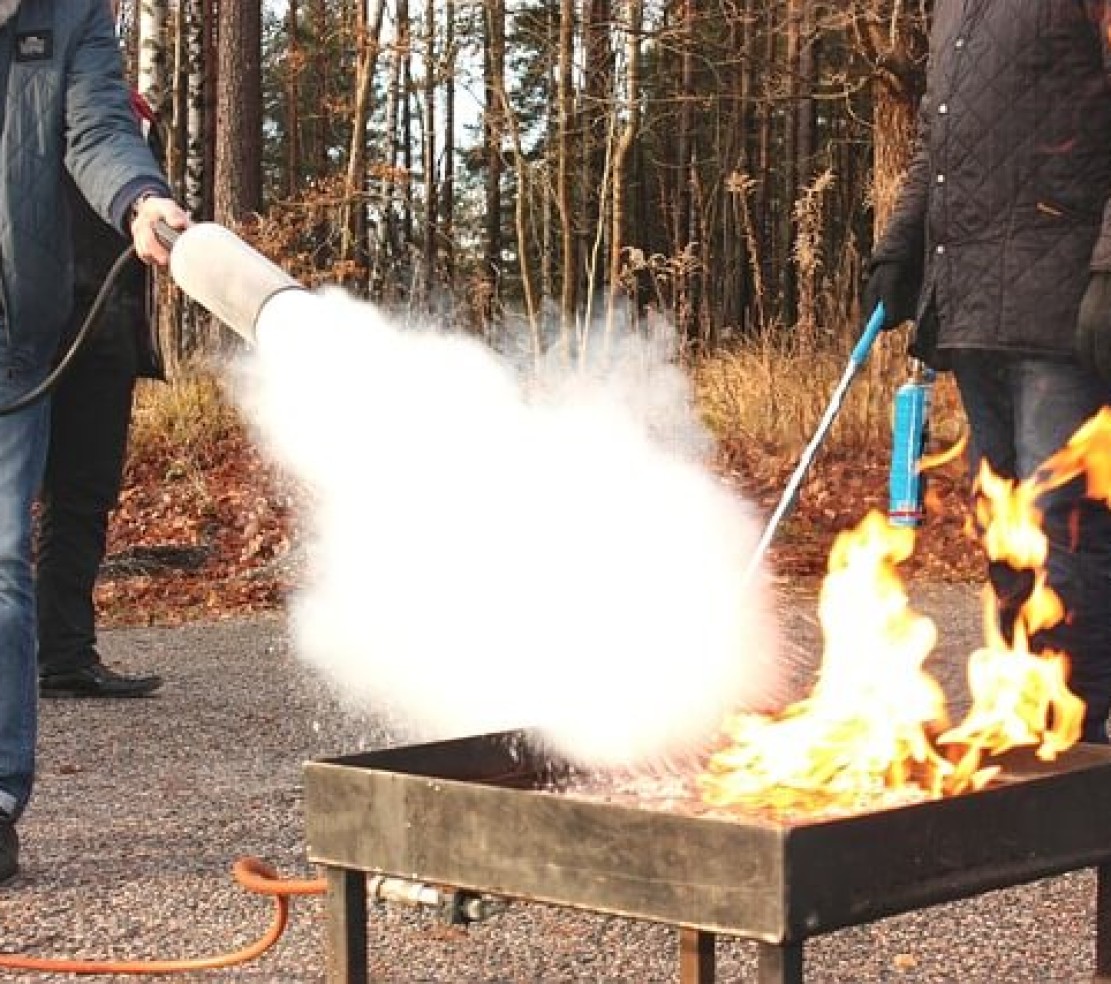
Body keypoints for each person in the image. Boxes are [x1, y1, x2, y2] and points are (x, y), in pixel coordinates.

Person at [865, 2, 1111, 745]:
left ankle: (1080, 738)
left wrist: (1108, 266)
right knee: (1002, 527)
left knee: (1059, 524)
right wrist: (899, 248)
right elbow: (933, 146)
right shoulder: (951, 8)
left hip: (1060, 307)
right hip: (971, 308)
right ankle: (1018, 707)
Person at [0, 0, 190, 885]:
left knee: (6, 567)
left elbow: (98, 128)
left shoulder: (74, 15)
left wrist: (141, 199)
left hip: (21, 340)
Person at [35, 88, 167, 701]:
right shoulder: (27, 98)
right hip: (28, 333)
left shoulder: (132, 116)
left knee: (84, 498)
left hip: (108, 331)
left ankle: (64, 655)